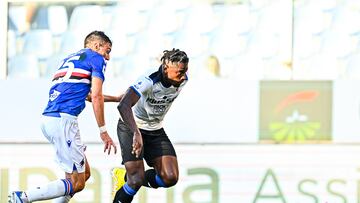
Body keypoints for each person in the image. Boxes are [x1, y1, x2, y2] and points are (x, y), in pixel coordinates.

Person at [9, 30, 117, 203]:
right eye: (108, 50)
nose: (108, 57)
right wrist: (103, 131)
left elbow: (88, 95)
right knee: (77, 182)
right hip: (64, 121)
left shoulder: (69, 59)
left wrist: (117, 98)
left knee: (83, 175)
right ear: (97, 46)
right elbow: (96, 96)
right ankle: (23, 197)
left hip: (50, 118)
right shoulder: (96, 58)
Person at [107, 48, 189, 203]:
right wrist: (136, 133)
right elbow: (124, 105)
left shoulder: (182, 79)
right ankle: (130, 178)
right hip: (131, 127)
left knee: (169, 177)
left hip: (155, 129)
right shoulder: (149, 79)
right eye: (179, 72)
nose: (183, 76)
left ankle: (124, 175)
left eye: (185, 71)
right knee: (136, 181)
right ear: (165, 68)